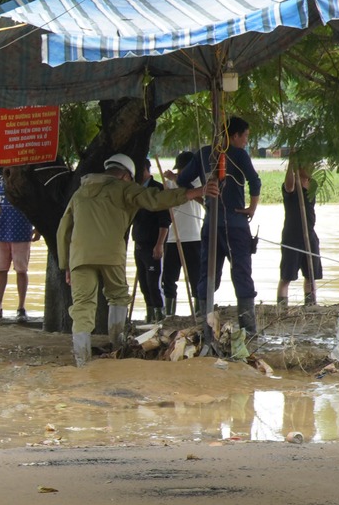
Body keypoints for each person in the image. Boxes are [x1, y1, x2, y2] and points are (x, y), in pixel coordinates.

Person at [57, 153, 218, 368]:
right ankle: (116, 345)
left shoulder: (80, 192)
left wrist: (66, 264)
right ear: (125, 176)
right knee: (118, 297)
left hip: (79, 257)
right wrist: (196, 192)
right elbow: (155, 199)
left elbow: (63, 231)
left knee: (82, 307)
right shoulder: (123, 187)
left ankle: (82, 361)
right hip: (111, 254)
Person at [179, 118, 262, 334]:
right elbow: (255, 181)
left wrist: (201, 195)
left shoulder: (204, 153)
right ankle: (248, 330)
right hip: (235, 224)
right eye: (245, 136)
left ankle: (205, 328)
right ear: (234, 136)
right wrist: (251, 208)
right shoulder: (239, 155)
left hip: (211, 224)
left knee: (208, 273)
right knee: (241, 273)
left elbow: (182, 181)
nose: (245, 142)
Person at [158, 150, 209, 317]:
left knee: (196, 278)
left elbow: (203, 201)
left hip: (193, 237)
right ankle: (169, 313)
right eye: (178, 170)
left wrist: (177, 179)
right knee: (169, 277)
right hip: (173, 238)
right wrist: (173, 180)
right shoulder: (169, 185)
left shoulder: (197, 183)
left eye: (182, 170)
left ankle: (198, 311)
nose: (180, 173)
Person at [0, 171, 36, 322]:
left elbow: (35, 201)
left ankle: (21, 308)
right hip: (1, 230)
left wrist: (37, 228)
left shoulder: (25, 175)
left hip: (22, 230)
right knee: (1, 270)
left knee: (21, 270)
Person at [278, 159, 321, 308]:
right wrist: (292, 161)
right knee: (286, 277)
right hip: (292, 236)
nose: (312, 166)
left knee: (311, 275)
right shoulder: (292, 184)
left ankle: (310, 307)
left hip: (309, 235)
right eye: (308, 163)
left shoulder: (312, 184)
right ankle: (282, 310)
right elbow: (289, 185)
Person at [130, 164, 171, 323]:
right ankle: (150, 317)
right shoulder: (135, 190)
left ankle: (160, 317)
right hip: (139, 243)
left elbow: (165, 221)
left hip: (153, 244)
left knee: (154, 284)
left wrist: (160, 244)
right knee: (144, 283)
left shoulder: (157, 189)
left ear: (146, 170)